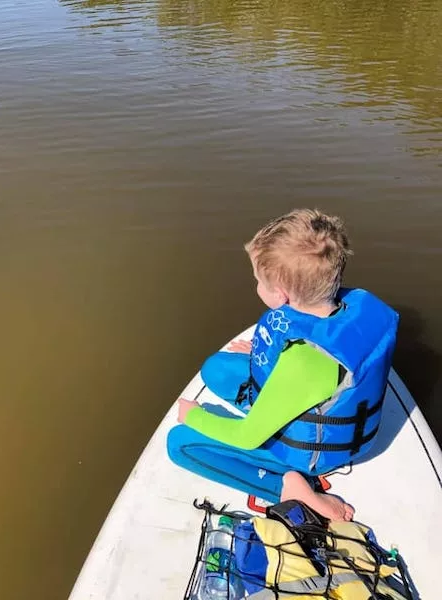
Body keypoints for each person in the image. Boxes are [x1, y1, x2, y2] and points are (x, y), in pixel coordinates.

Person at [167, 208, 399, 520]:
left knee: (178, 443)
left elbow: (246, 437)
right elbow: (310, 350)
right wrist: (269, 351)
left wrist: (194, 416)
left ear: (281, 296)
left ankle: (290, 487)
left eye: (258, 281)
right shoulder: (341, 309)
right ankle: (275, 434)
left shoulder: (303, 364)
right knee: (215, 369)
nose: (256, 286)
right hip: (329, 408)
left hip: (315, 453)